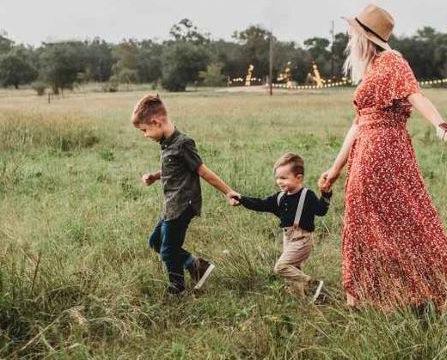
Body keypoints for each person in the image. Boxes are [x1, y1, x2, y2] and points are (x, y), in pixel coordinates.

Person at [318, 4, 447, 312]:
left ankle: (418, 294)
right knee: (364, 223)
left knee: (408, 222)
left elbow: (416, 95)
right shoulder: (372, 68)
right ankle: (369, 298)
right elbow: (358, 123)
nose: (349, 39)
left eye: (352, 33)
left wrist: (443, 129)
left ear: (365, 37)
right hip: (366, 151)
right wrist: (335, 168)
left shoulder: (392, 61)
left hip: (384, 152)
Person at [132, 94, 240, 295]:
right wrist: (155, 176)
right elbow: (173, 168)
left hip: (183, 205)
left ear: (155, 122)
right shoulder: (166, 143)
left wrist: (228, 192)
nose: (145, 135)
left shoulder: (183, 143)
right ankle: (196, 266)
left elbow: (203, 171)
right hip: (171, 205)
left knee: (168, 250)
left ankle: (177, 289)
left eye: (144, 130)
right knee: (156, 242)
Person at [231, 153, 331, 302]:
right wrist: (241, 199)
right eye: (277, 178)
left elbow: (321, 211)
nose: (279, 181)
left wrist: (326, 194)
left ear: (299, 178)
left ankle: (312, 284)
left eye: (284, 178)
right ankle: (301, 301)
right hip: (288, 238)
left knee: (281, 267)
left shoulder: (307, 195)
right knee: (293, 270)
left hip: (302, 239)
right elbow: (260, 204)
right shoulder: (280, 197)